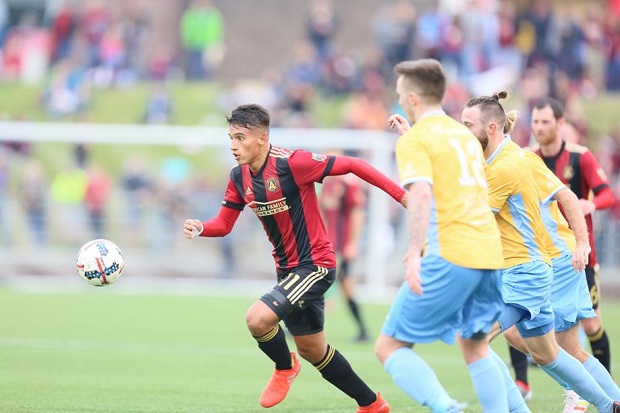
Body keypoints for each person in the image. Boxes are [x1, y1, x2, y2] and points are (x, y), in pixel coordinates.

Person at [183, 103, 406, 412]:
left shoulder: (293, 163)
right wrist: (201, 227)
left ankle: (285, 367)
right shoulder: (238, 177)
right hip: (288, 273)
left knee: (257, 319)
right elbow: (223, 224)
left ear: (262, 138)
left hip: (315, 265)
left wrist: (402, 195)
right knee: (314, 350)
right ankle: (372, 404)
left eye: (240, 138)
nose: (233, 146)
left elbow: (354, 164)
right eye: (230, 138)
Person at [461, 91, 620, 413]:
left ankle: (581, 398)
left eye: (546, 121)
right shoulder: (516, 156)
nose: (540, 127)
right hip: (533, 263)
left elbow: (573, 198)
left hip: (547, 261)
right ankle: (607, 403)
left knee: (478, 338)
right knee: (552, 350)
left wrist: (583, 243)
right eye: (536, 121)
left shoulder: (517, 163)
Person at [376, 58, 509, 413]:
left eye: (401, 93)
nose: (399, 98)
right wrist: (412, 136)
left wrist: (414, 253)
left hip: (452, 252)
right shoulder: (463, 136)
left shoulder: (419, 140)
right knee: (475, 346)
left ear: (414, 98)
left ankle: (447, 408)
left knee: (389, 347)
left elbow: (419, 194)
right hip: (490, 253)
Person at [318, 151, 369, 342]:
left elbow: (357, 214)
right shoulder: (327, 184)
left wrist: (353, 244)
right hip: (328, 246)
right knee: (345, 286)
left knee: (325, 285)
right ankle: (363, 331)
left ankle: (306, 328)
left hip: (341, 247)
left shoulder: (349, 184)